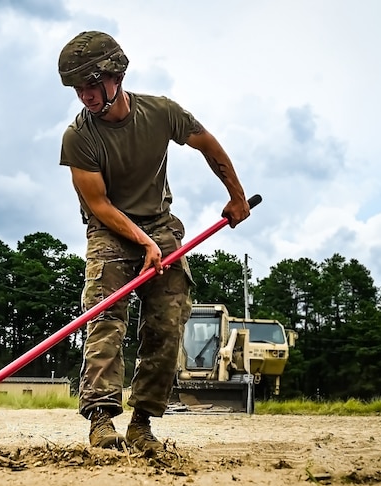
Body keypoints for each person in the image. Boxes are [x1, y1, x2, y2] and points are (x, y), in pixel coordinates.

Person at [58, 31, 251, 452]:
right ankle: (101, 420)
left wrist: (236, 195)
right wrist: (143, 242)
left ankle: (143, 423)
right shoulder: (79, 136)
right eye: (78, 89)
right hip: (108, 230)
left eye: (92, 85)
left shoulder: (160, 112)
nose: (86, 96)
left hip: (161, 224)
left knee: (167, 322)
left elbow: (206, 142)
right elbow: (99, 204)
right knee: (105, 318)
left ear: (116, 76)